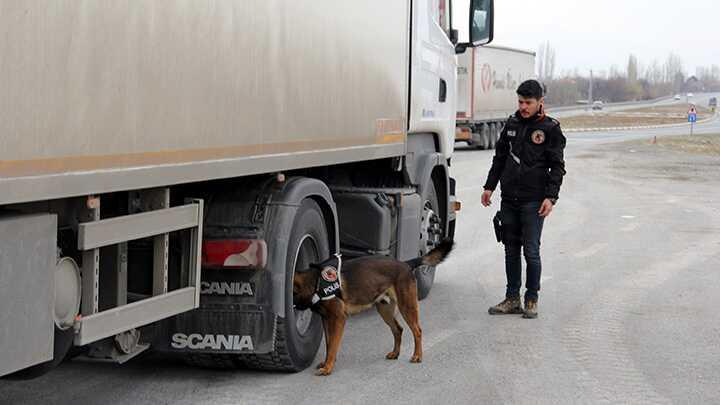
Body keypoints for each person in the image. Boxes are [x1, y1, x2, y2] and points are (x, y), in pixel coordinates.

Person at [481, 79, 566, 319]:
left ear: (540, 102)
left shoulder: (550, 129)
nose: (523, 107)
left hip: (533, 201)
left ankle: (531, 299)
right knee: (510, 250)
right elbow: (499, 159)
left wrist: (551, 197)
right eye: (520, 102)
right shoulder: (511, 124)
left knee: (531, 251)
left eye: (528, 102)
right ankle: (512, 299)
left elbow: (557, 167)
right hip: (509, 199)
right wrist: (489, 187)